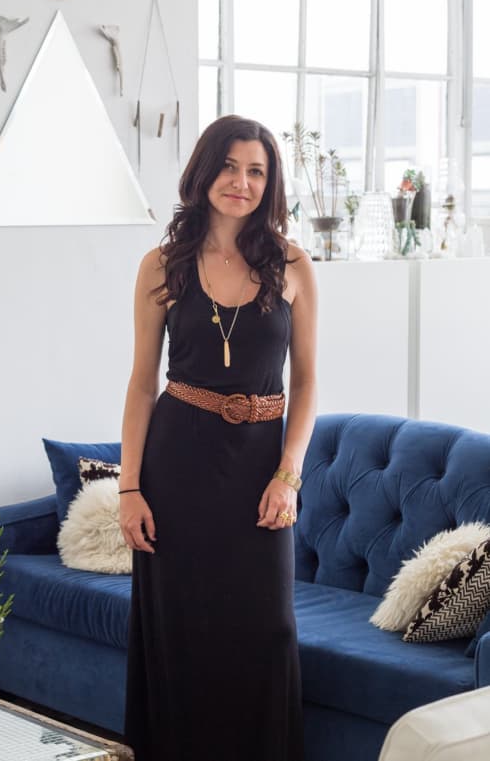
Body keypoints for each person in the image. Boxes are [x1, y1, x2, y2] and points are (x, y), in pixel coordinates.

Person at [120, 115, 317, 761]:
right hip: (177, 469)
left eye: (256, 170)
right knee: (181, 637)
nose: (242, 182)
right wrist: (129, 487)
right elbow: (143, 384)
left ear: (271, 181)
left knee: (267, 633)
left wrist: (289, 475)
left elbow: (309, 384)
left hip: (261, 470)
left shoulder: (293, 265)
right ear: (205, 173)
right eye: (230, 167)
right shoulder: (163, 265)